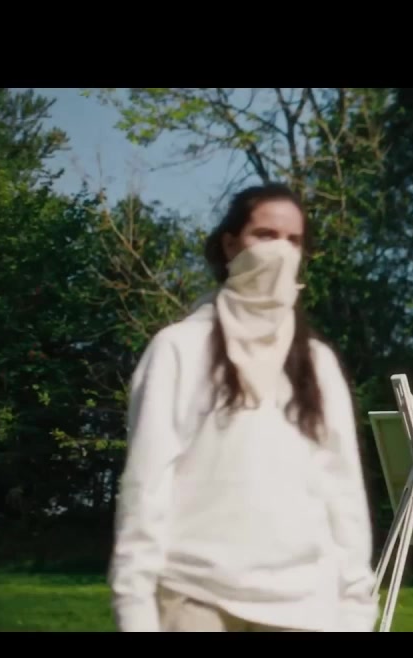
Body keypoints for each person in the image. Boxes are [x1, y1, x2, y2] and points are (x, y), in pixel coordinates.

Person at [106, 183, 377, 632]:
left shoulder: (318, 363)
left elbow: (342, 489)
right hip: (195, 593)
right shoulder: (179, 348)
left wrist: (356, 605)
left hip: (305, 602)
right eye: (265, 235)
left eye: (293, 241)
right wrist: (133, 604)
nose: (280, 251)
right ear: (231, 244)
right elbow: (147, 482)